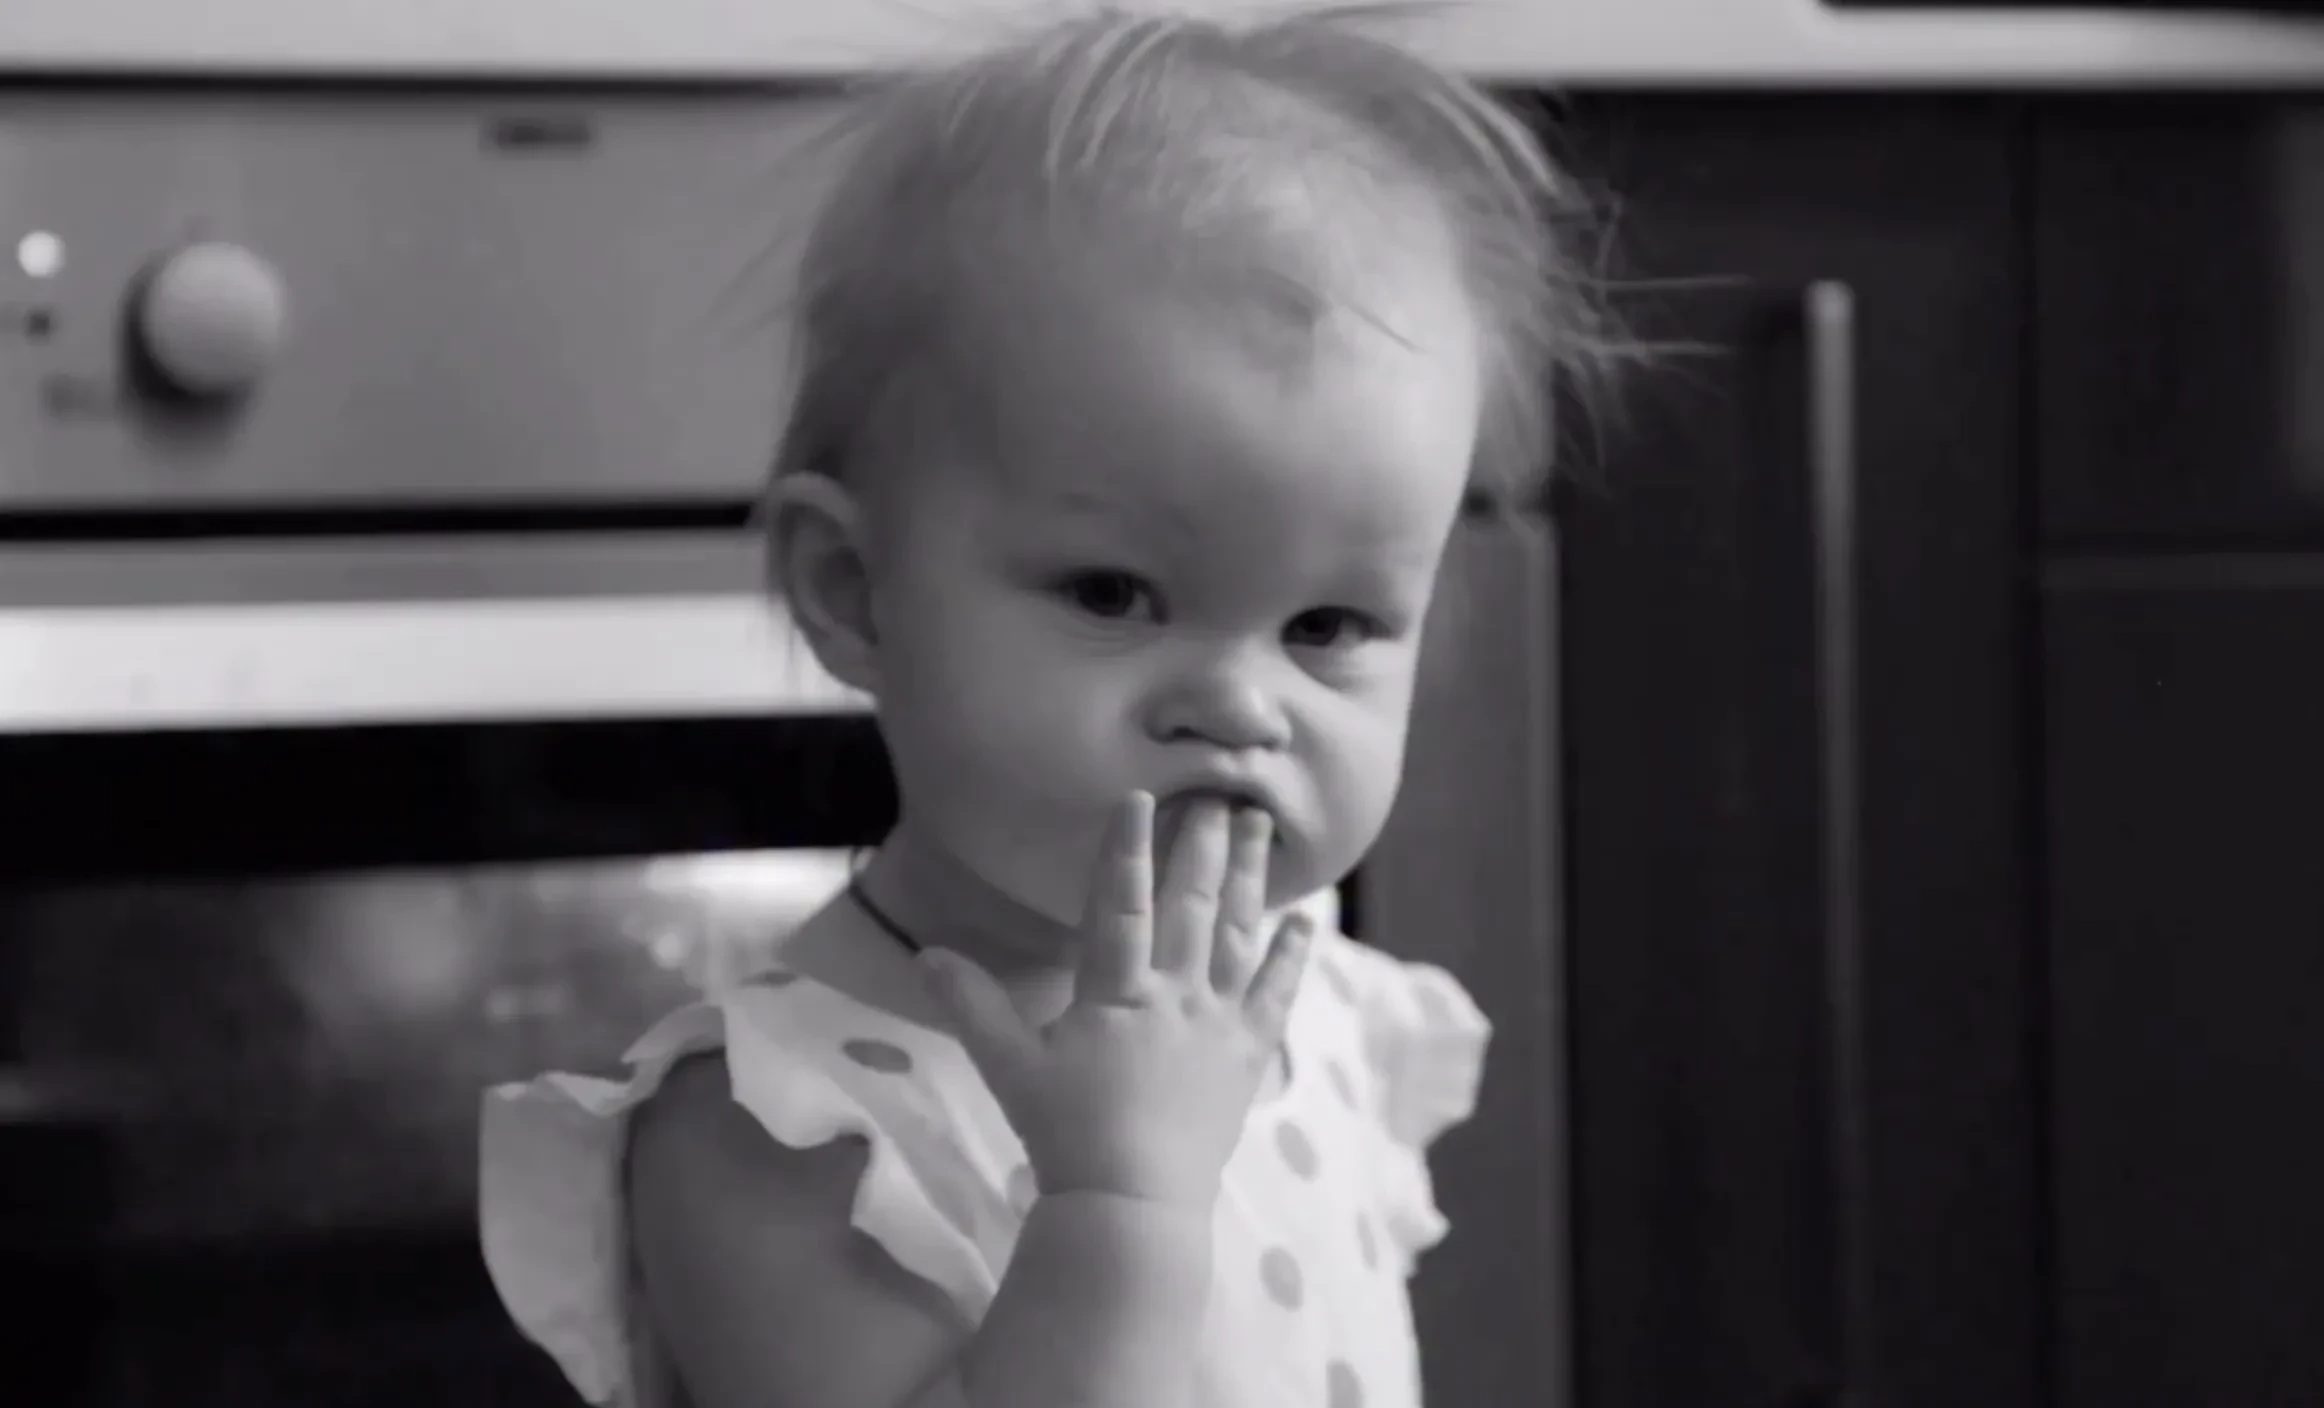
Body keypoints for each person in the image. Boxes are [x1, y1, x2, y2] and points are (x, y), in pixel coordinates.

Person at [479, 5, 1624, 1406]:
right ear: (856, 593)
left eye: (1326, 628)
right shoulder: (779, 1130)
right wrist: (1120, 1202)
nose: (1237, 704)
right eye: (1113, 593)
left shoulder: (1315, 1005)